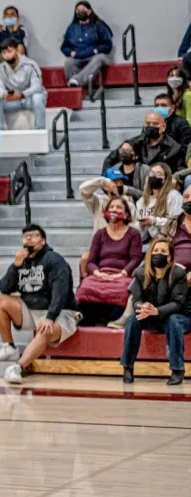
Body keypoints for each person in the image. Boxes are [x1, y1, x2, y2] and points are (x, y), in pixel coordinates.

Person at [0, 225, 81, 382]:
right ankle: (9, 347)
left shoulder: (54, 260)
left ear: (43, 241)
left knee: (44, 330)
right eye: (25, 236)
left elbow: (61, 292)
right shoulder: (22, 261)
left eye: (33, 235)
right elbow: (4, 288)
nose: (28, 239)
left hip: (61, 312)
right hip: (31, 310)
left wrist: (50, 317)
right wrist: (15, 266)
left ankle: (18, 367)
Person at [121, 238, 187, 385]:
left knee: (174, 320)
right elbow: (135, 299)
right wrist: (142, 307)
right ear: (150, 254)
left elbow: (178, 303)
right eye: (156, 251)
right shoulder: (140, 272)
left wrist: (157, 310)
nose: (158, 254)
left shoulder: (178, 273)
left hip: (178, 315)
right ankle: (127, 367)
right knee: (132, 320)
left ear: (170, 256)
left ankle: (177, 369)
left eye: (163, 251)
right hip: (150, 315)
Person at [76, 196, 142, 326]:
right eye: (111, 207)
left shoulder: (134, 233)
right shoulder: (100, 234)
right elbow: (91, 261)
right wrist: (97, 273)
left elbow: (135, 258)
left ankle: (115, 318)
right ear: (106, 211)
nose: (114, 210)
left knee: (122, 289)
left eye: (119, 207)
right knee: (86, 287)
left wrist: (122, 273)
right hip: (101, 273)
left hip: (122, 274)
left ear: (126, 213)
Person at [0, 39, 47, 130]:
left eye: (9, 51)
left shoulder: (31, 64)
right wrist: (5, 94)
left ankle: (40, 129)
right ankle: (0, 131)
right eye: (4, 53)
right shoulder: (0, 68)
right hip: (12, 100)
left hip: (29, 99)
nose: (7, 55)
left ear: (16, 50)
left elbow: (37, 87)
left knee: (38, 97)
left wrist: (22, 95)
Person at [61, 0, 113, 89]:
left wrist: (97, 50)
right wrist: (70, 52)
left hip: (95, 55)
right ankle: (74, 87)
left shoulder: (98, 25)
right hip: (78, 56)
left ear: (89, 11)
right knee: (69, 62)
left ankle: (78, 81)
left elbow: (108, 44)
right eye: (78, 10)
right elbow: (64, 46)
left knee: (99, 58)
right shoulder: (72, 27)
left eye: (83, 9)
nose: (80, 12)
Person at [136, 163, 181, 243]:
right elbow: (142, 236)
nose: (154, 176)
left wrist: (154, 221)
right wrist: (141, 225)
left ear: (165, 179)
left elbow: (177, 223)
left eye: (159, 174)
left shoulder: (173, 196)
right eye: (152, 173)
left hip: (171, 242)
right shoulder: (141, 202)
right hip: (151, 242)